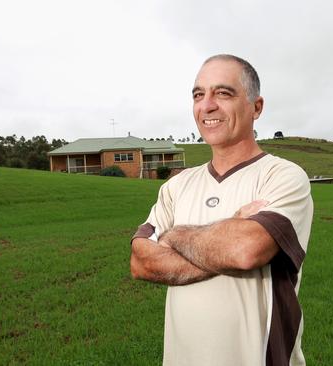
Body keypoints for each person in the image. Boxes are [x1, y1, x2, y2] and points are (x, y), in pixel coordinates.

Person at [130, 54, 313, 366]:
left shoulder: (282, 176)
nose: (207, 105)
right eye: (199, 94)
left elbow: (245, 250)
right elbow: (141, 263)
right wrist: (229, 229)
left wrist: (172, 238)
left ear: (256, 107)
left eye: (223, 93)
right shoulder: (177, 185)